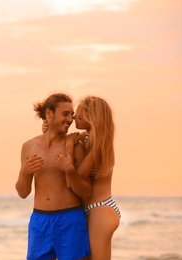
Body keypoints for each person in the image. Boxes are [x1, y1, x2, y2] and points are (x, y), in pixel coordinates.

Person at [15, 93, 91, 260]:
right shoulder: (28, 147)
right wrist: (26, 173)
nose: (70, 119)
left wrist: (70, 170)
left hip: (70, 219)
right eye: (65, 114)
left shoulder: (74, 146)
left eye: (71, 115)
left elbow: (86, 192)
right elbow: (22, 192)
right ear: (49, 114)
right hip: (39, 221)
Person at [52, 95, 121, 260]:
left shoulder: (97, 145)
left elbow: (77, 177)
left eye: (79, 115)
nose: (74, 117)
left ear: (91, 118)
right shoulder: (88, 137)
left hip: (100, 210)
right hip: (98, 209)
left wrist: (69, 144)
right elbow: (65, 138)